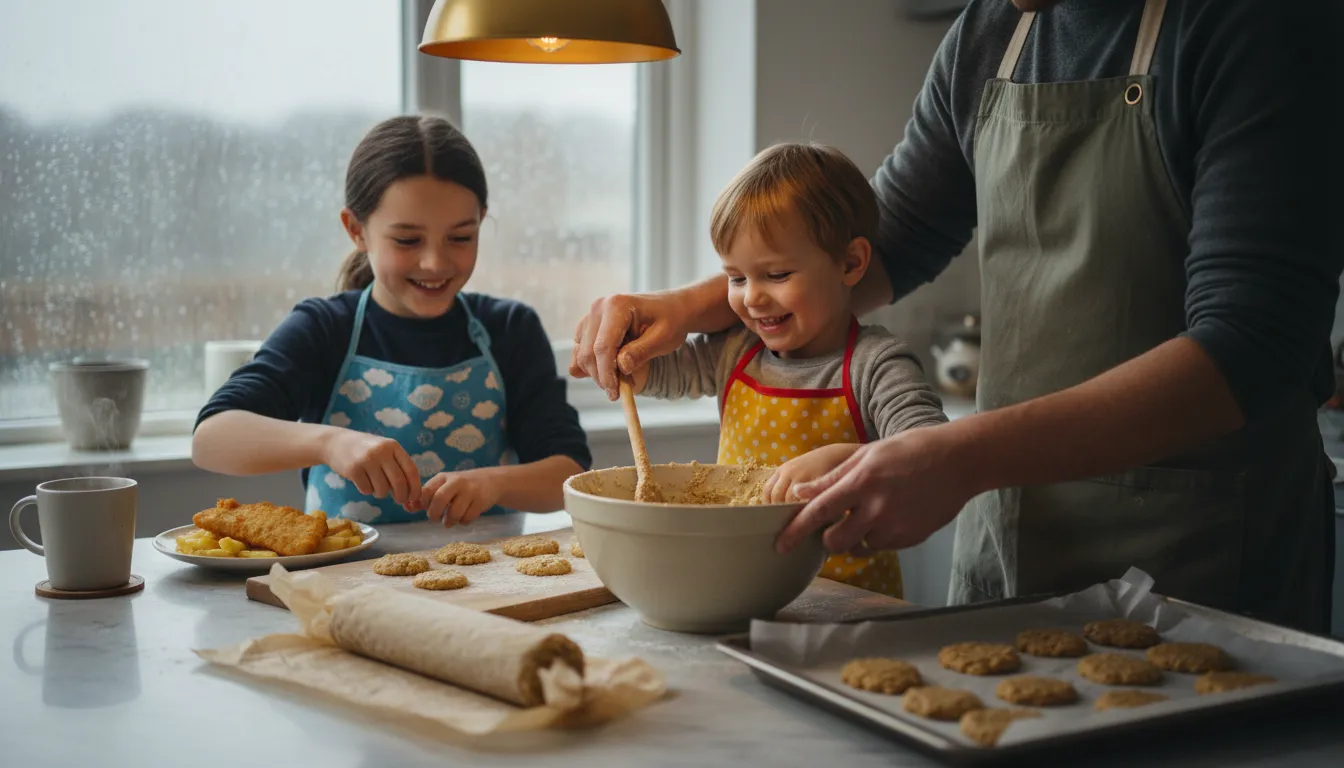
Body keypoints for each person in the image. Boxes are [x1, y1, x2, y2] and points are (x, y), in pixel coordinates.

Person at [571, 0, 1339, 632]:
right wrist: (690, 304)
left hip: (1198, 560)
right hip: (1009, 537)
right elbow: (885, 243)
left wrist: (959, 457)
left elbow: (1252, 345)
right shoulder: (992, 34)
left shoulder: (1261, 25)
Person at [193, 115, 589, 527]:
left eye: (460, 237)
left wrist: (495, 484)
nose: (435, 263)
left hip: (493, 583)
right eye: (407, 240)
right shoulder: (324, 328)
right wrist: (330, 443)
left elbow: (570, 473)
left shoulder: (511, 330)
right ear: (356, 230)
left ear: (481, 221)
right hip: (341, 585)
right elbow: (211, 438)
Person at [629, 143, 946, 598]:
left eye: (776, 275)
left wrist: (844, 461)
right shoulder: (736, 349)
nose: (751, 298)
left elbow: (928, 449)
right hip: (740, 592)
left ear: (851, 263)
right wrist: (630, 361)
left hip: (850, 605)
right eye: (736, 278)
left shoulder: (875, 365)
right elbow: (663, 373)